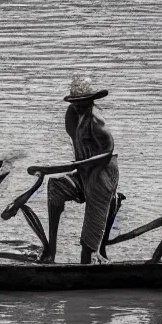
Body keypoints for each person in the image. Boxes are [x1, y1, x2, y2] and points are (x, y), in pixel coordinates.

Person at [42, 75, 119, 264]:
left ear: (90, 101)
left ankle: (89, 260)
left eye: (82, 102)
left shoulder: (95, 121)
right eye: (75, 102)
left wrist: (79, 165)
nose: (78, 106)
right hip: (84, 172)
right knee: (55, 187)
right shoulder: (72, 114)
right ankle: (51, 251)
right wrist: (79, 167)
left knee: (88, 244)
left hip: (102, 175)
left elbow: (108, 152)